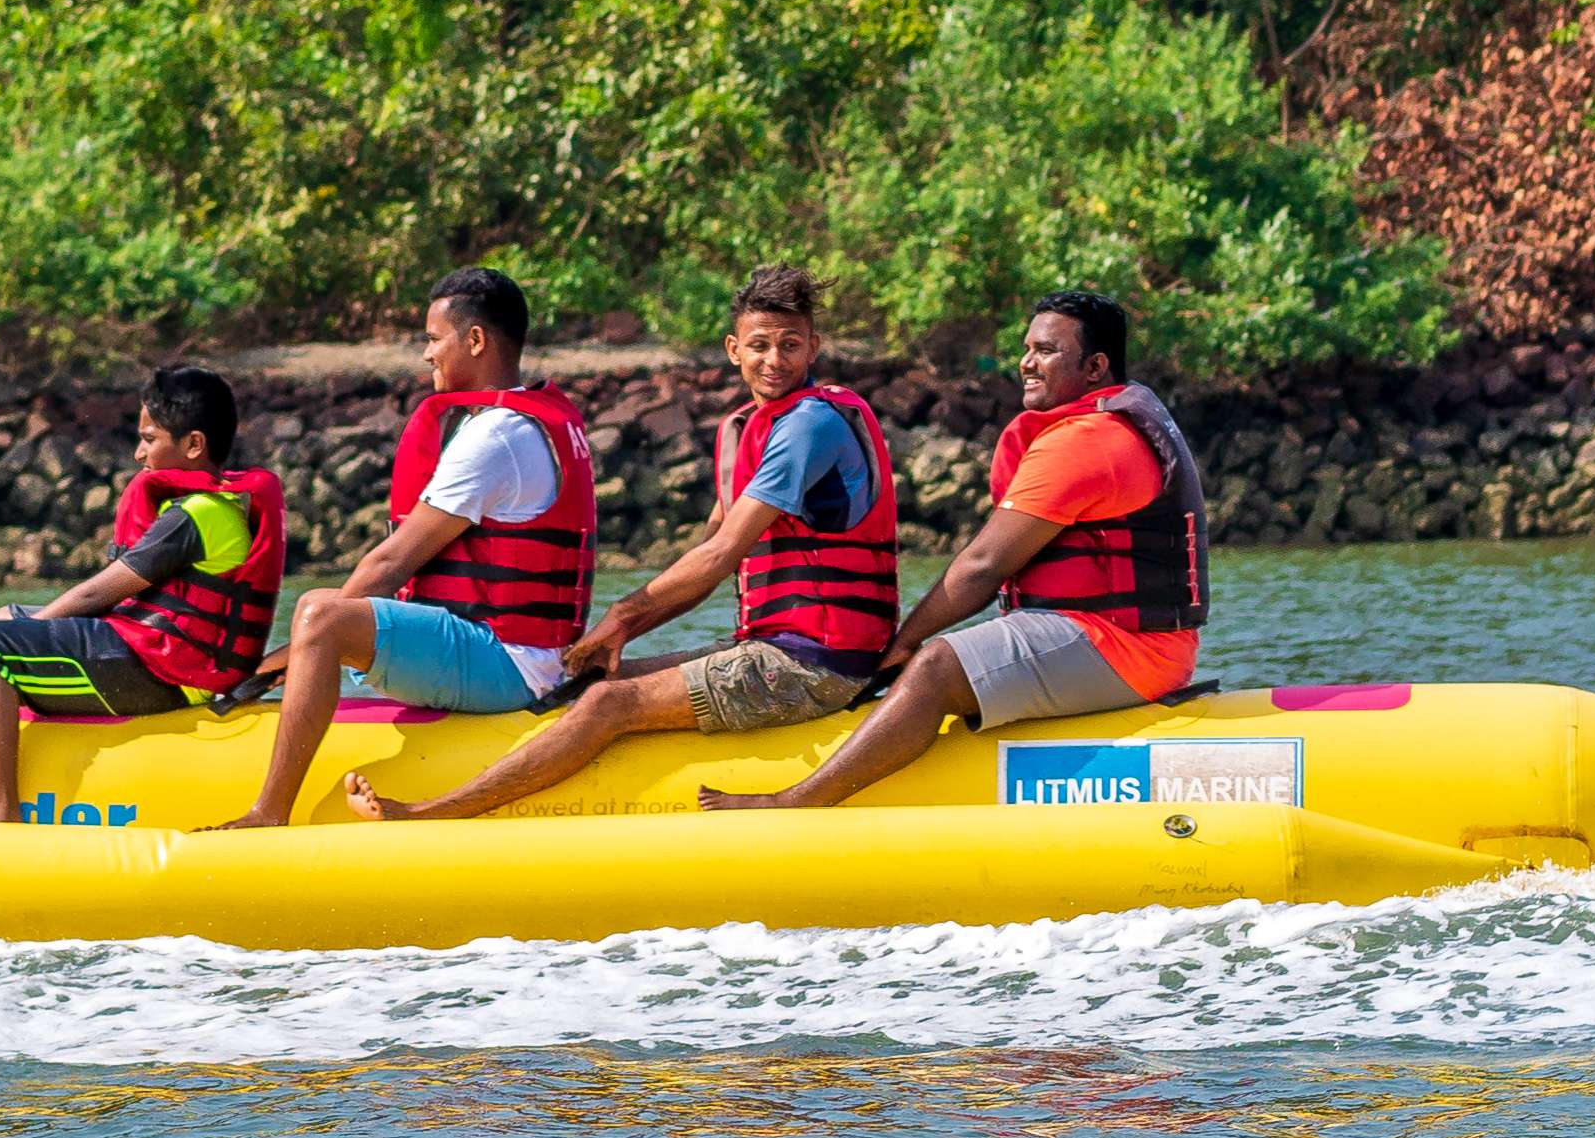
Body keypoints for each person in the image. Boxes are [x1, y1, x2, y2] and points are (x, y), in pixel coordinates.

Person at [345, 262, 896, 821]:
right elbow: (703, 561)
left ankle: (433, 812)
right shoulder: (751, 426)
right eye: (759, 345)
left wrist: (619, 622)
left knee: (609, 700)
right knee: (589, 677)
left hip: (819, 665)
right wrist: (608, 643)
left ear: (814, 347)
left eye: (790, 345)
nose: (773, 361)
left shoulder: (810, 425)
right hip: (774, 648)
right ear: (734, 349)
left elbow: (719, 555)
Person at [699, 288, 1203, 812]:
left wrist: (902, 646)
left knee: (938, 665)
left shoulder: (1088, 441)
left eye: (1046, 351)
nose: (1027, 363)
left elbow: (982, 567)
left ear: (1096, 366)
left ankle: (796, 802)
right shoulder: (1108, 424)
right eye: (1026, 348)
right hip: (1120, 640)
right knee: (952, 658)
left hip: (1127, 649)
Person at [212, 264, 597, 829]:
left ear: (475, 340)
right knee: (327, 617)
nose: (426, 355)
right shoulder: (540, 419)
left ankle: (268, 813)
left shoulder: (496, 435)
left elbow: (393, 560)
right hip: (532, 655)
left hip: (509, 664)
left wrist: (292, 655)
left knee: (319, 615)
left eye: (432, 338)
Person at [0, 365, 288, 822]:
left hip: (168, 677)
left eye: (149, 439)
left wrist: (6, 642)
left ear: (193, 445)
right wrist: (21, 625)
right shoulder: (209, 507)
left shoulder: (198, 516)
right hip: (165, 661)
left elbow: (94, 597)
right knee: (5, 619)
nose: (138, 452)